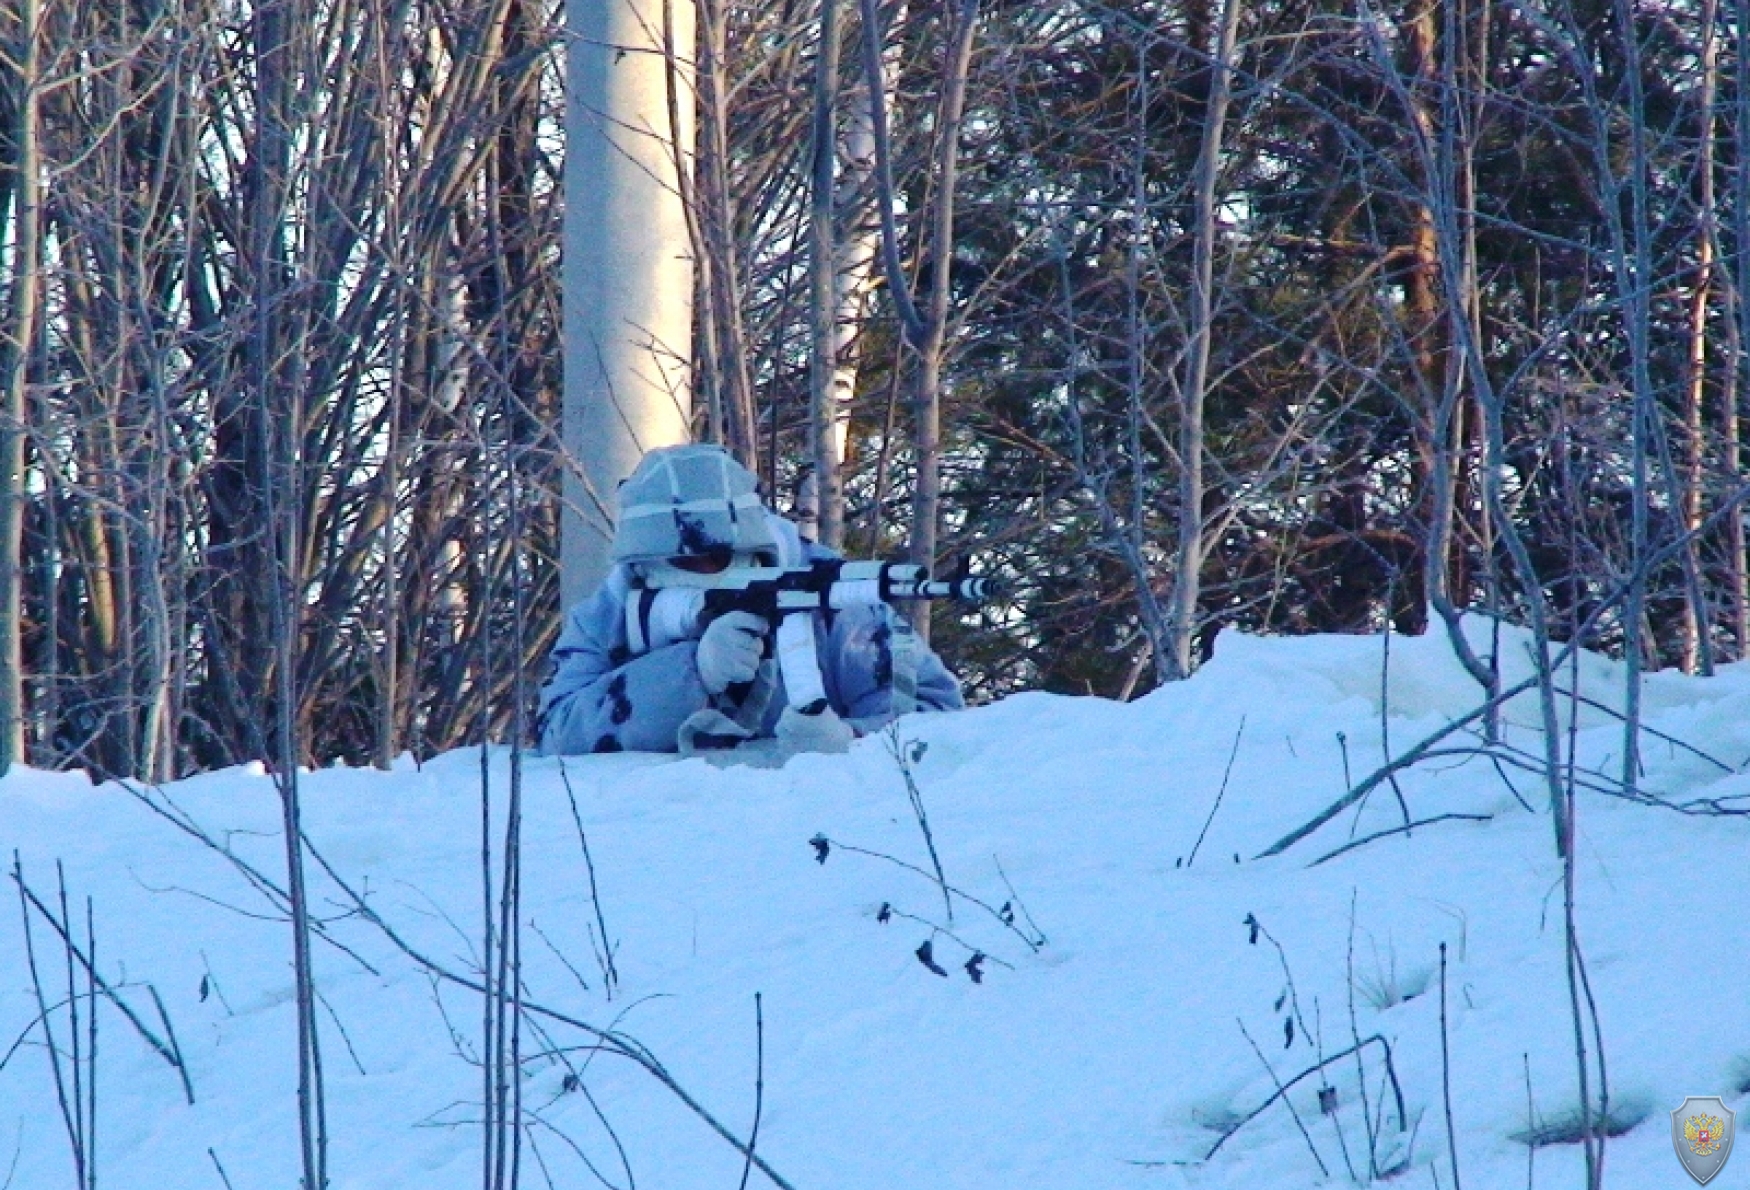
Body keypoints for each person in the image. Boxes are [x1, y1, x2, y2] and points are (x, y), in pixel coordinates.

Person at [538, 443, 963, 758]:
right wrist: (690, 671)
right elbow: (556, 734)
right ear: (644, 567)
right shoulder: (609, 617)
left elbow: (937, 718)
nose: (704, 570)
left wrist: (850, 742)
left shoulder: (837, 601)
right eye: (686, 563)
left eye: (717, 558)